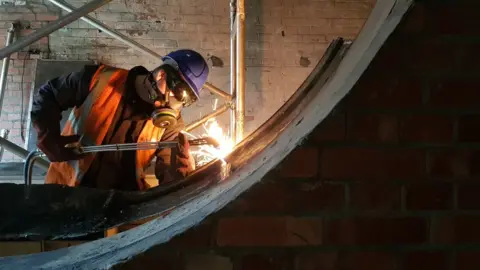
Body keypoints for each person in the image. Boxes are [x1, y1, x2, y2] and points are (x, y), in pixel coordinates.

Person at [30, 49, 210, 191]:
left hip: (122, 208)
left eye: (186, 101)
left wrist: (183, 187)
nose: (176, 105)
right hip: (67, 192)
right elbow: (49, 94)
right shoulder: (98, 80)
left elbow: (174, 175)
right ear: (161, 75)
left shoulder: (172, 126)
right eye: (179, 93)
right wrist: (48, 136)